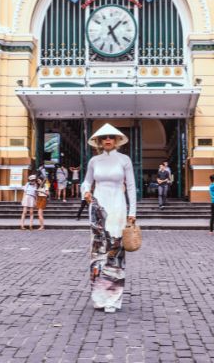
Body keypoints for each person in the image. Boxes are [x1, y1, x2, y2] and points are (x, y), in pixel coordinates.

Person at [82, 123, 136, 313]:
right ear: (98, 141)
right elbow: (87, 181)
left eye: (111, 137)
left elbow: (131, 187)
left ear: (116, 141)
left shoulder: (124, 160)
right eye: (104, 138)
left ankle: (113, 299)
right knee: (97, 252)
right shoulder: (94, 161)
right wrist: (86, 192)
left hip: (118, 207)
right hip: (97, 209)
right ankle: (99, 297)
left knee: (116, 252)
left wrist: (132, 212)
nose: (107, 140)